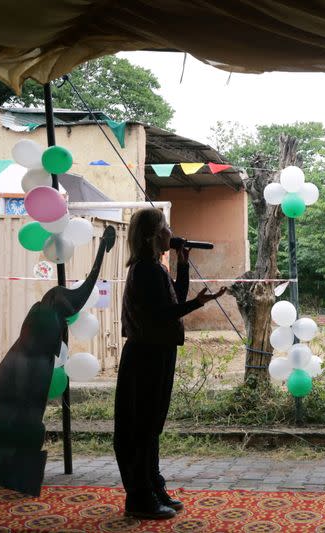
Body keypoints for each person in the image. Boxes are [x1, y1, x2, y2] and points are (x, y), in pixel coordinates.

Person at [114, 208, 226, 520]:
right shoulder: (145, 270)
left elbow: (172, 299)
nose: (170, 232)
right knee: (141, 427)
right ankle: (139, 497)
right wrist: (196, 304)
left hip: (157, 351)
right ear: (152, 235)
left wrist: (183, 264)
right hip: (145, 355)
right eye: (165, 227)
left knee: (151, 425)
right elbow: (163, 313)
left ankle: (153, 486)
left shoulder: (154, 267)